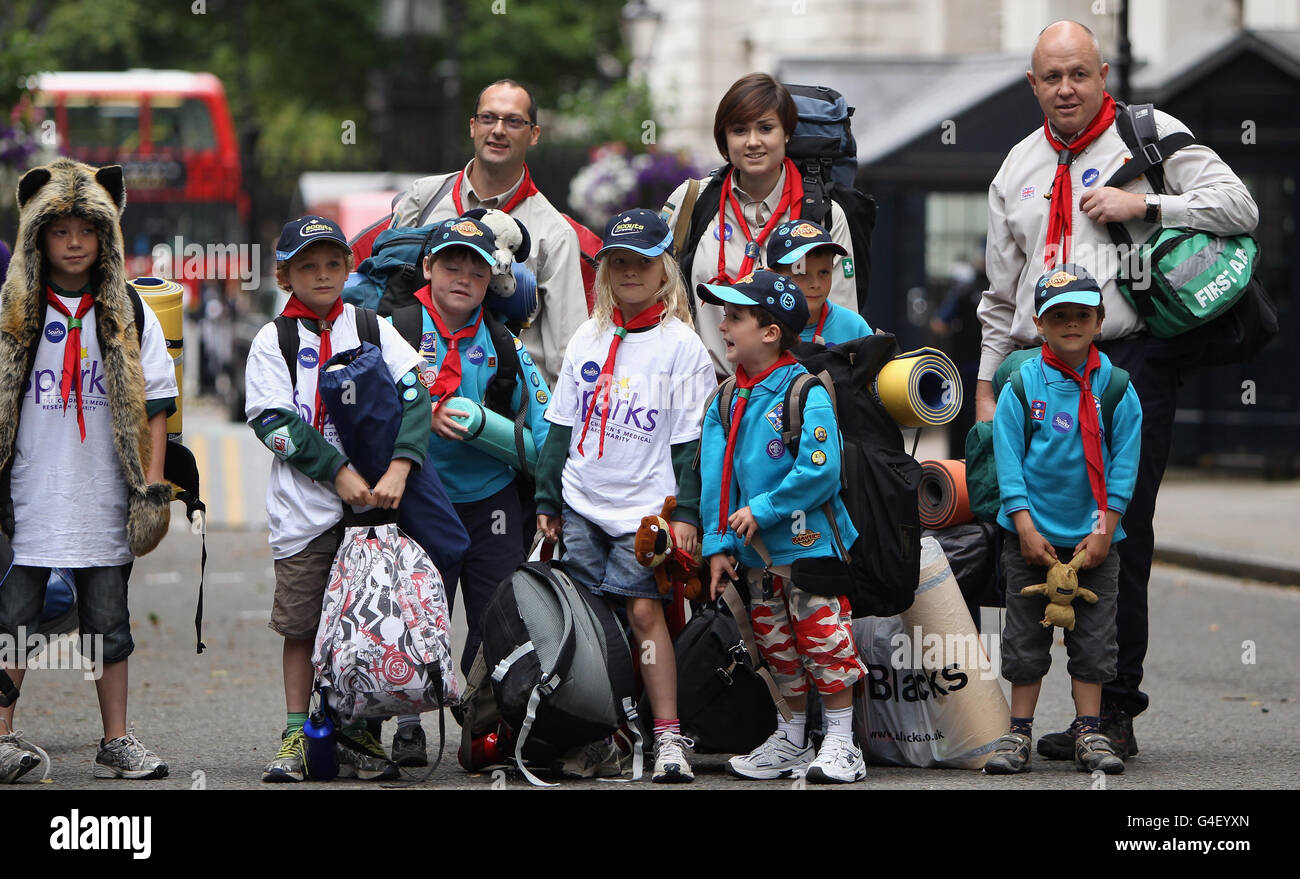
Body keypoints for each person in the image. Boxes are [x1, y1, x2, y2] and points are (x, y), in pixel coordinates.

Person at [975, 19, 1258, 758]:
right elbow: (1001, 296)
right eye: (1051, 77)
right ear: (1031, 85)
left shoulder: (1150, 134)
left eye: (1079, 74)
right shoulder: (1016, 166)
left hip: (1125, 363)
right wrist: (983, 385)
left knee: (1117, 533)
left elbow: (1241, 208)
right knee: (1022, 529)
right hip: (1034, 373)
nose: (1066, 88)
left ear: (1103, 75)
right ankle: (1025, 714)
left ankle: (1112, 712)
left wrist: (1148, 206)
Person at [0, 159, 176, 782]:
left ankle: (116, 740)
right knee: (13, 619)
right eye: (59, 230)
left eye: (87, 230)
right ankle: (3, 737)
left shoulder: (127, 307)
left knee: (109, 623)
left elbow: (157, 403)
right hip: (30, 495)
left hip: (105, 495)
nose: (74, 243)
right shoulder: (15, 309)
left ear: (107, 235)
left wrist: (151, 489)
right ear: (36, 236)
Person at [246, 215, 428, 783]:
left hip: (372, 511)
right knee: (302, 627)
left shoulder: (371, 326)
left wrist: (400, 466)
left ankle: (351, 732)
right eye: (307, 266)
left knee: (364, 626)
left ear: (350, 268)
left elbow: (417, 391)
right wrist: (336, 471)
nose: (322, 275)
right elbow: (272, 421)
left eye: (332, 263)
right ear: (284, 274)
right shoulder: (272, 340)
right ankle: (297, 733)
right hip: (304, 513)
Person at [535, 209, 715, 783]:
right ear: (605, 270)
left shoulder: (682, 346)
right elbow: (560, 425)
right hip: (582, 501)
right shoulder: (588, 336)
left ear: (664, 269)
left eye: (642, 262)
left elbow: (692, 444)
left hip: (646, 511)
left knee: (643, 612)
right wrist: (547, 500)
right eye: (619, 262)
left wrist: (687, 513)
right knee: (587, 621)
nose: (630, 271)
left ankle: (667, 738)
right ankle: (599, 732)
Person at [385, 214, 552, 767]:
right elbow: (363, 404)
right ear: (427, 268)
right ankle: (409, 723)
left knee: (494, 616)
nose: (462, 276)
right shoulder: (397, 329)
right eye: (450, 263)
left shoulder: (504, 343)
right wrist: (420, 414)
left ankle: (483, 726)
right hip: (420, 493)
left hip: (492, 499)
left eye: (475, 269)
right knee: (417, 612)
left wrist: (553, 489)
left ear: (490, 281)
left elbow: (547, 422)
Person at [697, 270, 867, 784]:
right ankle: (792, 740)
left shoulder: (802, 389)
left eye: (735, 317)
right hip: (756, 559)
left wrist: (765, 509)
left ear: (770, 332)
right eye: (723, 315)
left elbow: (821, 468)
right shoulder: (725, 399)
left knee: (824, 641)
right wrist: (719, 544)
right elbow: (715, 479)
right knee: (775, 647)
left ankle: (842, 744)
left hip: (810, 550)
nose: (723, 325)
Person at [983, 265, 1141, 775]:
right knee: (1024, 641)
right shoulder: (1023, 384)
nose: (1070, 324)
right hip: (1031, 538)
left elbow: (1125, 464)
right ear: (1039, 323)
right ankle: (1018, 732)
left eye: (1081, 315)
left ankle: (1089, 731)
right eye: (1058, 316)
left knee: (1094, 642)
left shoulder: (1117, 388)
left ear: (1099, 321)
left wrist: (1104, 529)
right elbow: (1008, 459)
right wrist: (1023, 525)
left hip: (1095, 541)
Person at [391, 79, 586, 390]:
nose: (498, 130)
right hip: (416, 399)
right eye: (488, 118)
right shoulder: (423, 198)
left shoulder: (554, 232)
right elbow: (385, 287)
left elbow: (569, 355)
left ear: (534, 134)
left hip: (506, 417)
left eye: (513, 121)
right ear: (472, 126)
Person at [661, 73, 860, 377]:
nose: (753, 142)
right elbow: (662, 297)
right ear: (724, 140)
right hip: (704, 395)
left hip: (789, 400)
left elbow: (842, 327)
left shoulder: (824, 213)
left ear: (787, 134)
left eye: (766, 128)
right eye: (739, 130)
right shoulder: (691, 200)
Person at [765, 219, 872, 346]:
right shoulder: (759, 327)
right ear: (772, 276)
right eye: (801, 274)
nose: (815, 284)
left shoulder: (854, 327)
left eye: (824, 272)